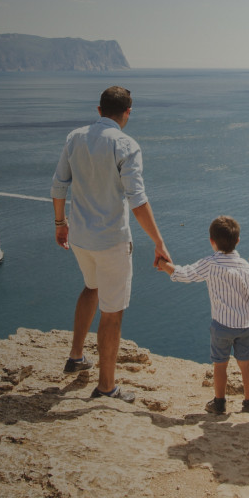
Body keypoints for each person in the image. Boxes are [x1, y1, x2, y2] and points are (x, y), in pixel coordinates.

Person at [51, 85, 171, 402]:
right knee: (112, 313)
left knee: (91, 287)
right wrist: (159, 242)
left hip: (79, 237)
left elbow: (58, 185)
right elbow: (138, 200)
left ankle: (77, 355)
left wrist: (60, 224)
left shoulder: (74, 137)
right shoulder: (126, 145)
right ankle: (106, 387)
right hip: (111, 241)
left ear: (99, 110)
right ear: (127, 113)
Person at [155, 215, 249, 416]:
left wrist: (164, 265)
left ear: (211, 241)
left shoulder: (211, 264)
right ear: (238, 240)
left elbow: (184, 274)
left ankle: (219, 403)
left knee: (220, 365)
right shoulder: (247, 267)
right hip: (245, 325)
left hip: (221, 326)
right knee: (246, 365)